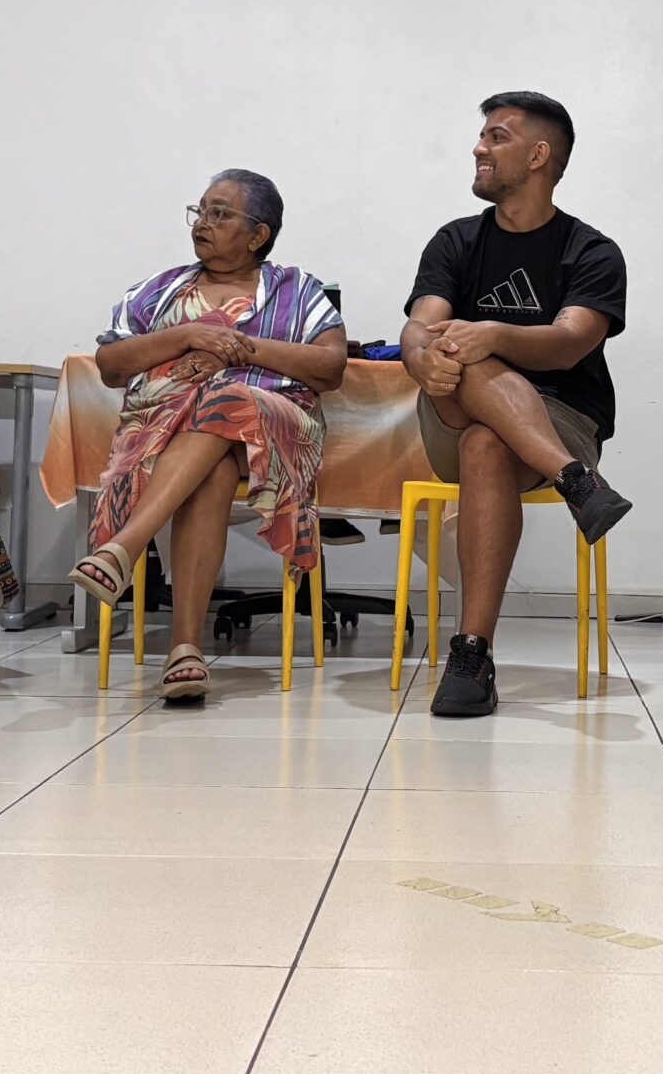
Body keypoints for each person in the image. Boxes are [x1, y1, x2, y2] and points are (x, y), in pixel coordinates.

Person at [72, 170, 345, 703]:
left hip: (275, 426)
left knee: (227, 397)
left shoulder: (296, 289)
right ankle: (185, 649)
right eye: (200, 212)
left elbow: (331, 367)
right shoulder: (160, 290)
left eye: (220, 214)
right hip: (166, 429)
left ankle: (123, 549)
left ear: (258, 234)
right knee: (213, 472)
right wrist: (185, 336)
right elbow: (110, 365)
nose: (203, 223)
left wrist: (239, 348)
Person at [402, 91, 630, 718]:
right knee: (461, 353)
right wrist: (420, 356)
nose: (479, 147)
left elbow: (569, 344)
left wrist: (493, 334)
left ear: (538, 155)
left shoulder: (591, 251)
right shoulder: (456, 240)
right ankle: (578, 485)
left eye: (496, 137)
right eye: (482, 136)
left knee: (487, 439)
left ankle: (471, 656)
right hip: (452, 413)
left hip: (562, 418)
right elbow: (421, 326)